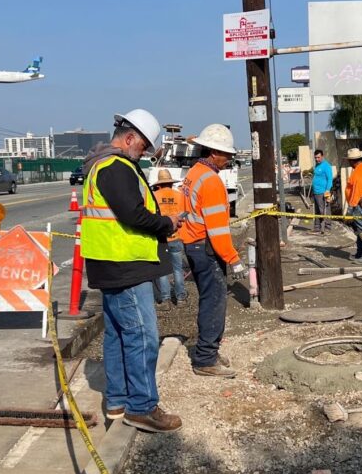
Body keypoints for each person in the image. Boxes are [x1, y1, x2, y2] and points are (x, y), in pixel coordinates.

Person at [80, 109, 183, 433]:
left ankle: (118, 402)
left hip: (110, 265)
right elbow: (132, 214)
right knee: (141, 336)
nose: (144, 156)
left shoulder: (101, 165)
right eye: (143, 149)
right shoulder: (116, 167)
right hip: (125, 266)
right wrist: (166, 223)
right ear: (129, 139)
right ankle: (142, 407)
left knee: (118, 336)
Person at [178, 124, 245, 378]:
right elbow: (217, 231)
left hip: (193, 245)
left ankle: (210, 351)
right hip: (206, 249)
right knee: (214, 301)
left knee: (210, 298)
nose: (228, 159)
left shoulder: (194, 173)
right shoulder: (212, 182)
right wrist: (233, 259)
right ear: (213, 152)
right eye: (226, 154)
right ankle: (205, 358)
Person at [152, 169, 188, 307]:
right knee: (177, 269)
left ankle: (165, 299)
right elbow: (184, 214)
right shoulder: (178, 196)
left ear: (159, 185)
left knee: (162, 271)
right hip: (176, 237)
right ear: (171, 183)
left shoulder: (154, 196)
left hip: (161, 239)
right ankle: (180, 299)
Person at [311, 149, 334, 233]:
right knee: (317, 210)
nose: (317, 159)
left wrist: (327, 190)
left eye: (318, 157)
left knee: (325, 210)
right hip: (315, 192)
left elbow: (330, 179)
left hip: (323, 192)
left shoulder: (326, 166)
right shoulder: (317, 165)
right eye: (315, 158)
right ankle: (317, 227)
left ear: (322, 156)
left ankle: (328, 227)